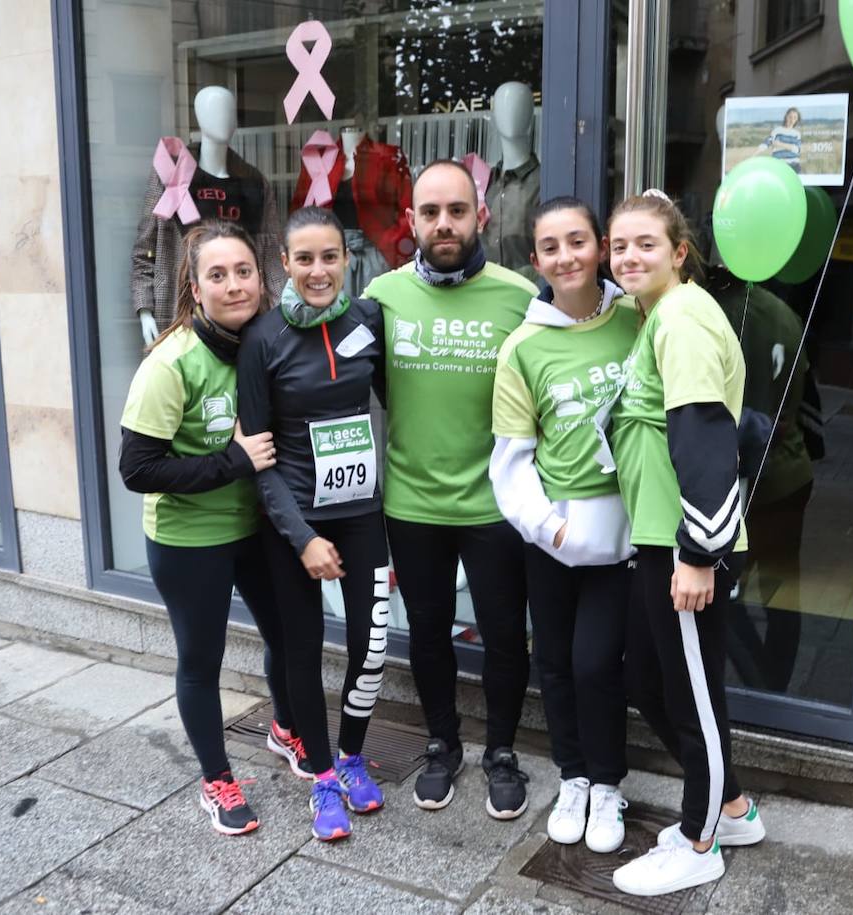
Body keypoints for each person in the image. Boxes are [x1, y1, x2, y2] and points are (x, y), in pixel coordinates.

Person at [363, 159, 536, 818]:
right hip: (411, 504)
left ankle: (501, 751)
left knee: (501, 636)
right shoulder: (380, 297)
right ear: (411, 220)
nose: (443, 223)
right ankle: (443, 743)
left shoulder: (520, 296)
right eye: (430, 211)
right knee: (429, 634)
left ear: (480, 215)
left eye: (456, 210)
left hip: (494, 504)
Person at [605, 192, 767, 896]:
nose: (629, 256)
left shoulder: (683, 317)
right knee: (650, 680)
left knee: (694, 696)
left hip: (684, 549)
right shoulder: (657, 317)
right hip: (655, 540)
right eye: (620, 246)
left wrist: (699, 553)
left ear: (679, 251)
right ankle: (732, 807)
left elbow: (704, 437)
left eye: (646, 243)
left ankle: (701, 839)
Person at [118, 220, 285, 836]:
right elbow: (137, 469)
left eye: (244, 272)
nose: (235, 285)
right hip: (189, 539)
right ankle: (215, 779)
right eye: (218, 275)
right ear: (194, 286)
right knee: (201, 662)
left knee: (288, 639)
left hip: (257, 529)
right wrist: (233, 462)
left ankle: (285, 730)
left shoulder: (266, 342)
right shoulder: (171, 363)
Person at [490, 197, 639, 852]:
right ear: (536, 261)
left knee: (596, 662)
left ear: (600, 246)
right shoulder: (523, 346)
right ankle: (572, 774)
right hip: (552, 536)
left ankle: (608, 783)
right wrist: (549, 529)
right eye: (551, 247)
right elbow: (512, 458)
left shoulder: (640, 320)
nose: (566, 257)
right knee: (553, 662)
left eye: (577, 241)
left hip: (627, 537)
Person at [236, 206, 389, 841]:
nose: (318, 270)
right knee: (300, 650)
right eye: (305, 259)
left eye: (329, 257)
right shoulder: (263, 339)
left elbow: (397, 412)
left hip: (363, 516)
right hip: (293, 521)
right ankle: (322, 776)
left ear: (346, 258)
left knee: (373, 645)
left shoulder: (369, 321)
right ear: (285, 265)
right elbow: (257, 456)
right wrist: (302, 539)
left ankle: (351, 754)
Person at [707, 265, 813, 693]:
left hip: (741, 477)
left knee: (719, 589)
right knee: (781, 594)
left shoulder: (704, 313)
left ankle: (761, 683)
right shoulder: (784, 314)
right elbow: (799, 388)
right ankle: (775, 690)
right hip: (788, 475)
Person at [757, 107, 803, 173]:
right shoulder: (777, 130)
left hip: (794, 166)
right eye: (790, 117)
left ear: (797, 120)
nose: (792, 120)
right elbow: (766, 143)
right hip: (778, 165)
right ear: (786, 117)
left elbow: (797, 150)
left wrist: (780, 144)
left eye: (795, 118)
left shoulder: (797, 134)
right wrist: (753, 155)